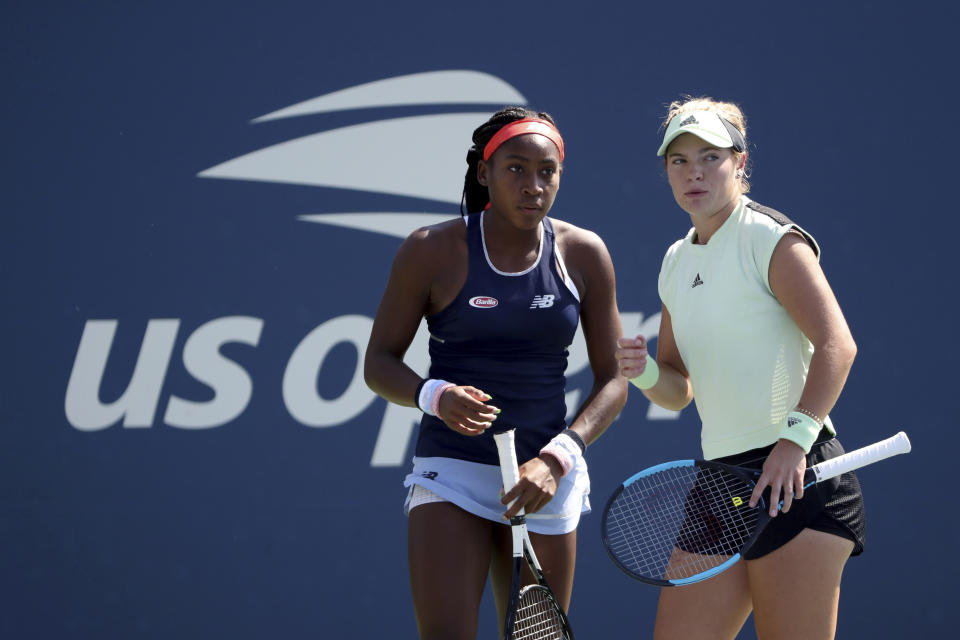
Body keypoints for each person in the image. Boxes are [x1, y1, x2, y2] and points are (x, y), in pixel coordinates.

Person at [364, 106, 628, 639]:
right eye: (515, 169)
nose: (533, 185)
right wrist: (434, 395)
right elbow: (379, 363)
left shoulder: (584, 254)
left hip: (546, 478)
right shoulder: (429, 250)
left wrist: (558, 456)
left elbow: (614, 381)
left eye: (547, 171)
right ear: (484, 173)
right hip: (452, 470)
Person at [616, 97, 866, 640]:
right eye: (679, 161)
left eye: (709, 156)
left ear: (740, 163)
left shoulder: (769, 238)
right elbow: (677, 388)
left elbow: (837, 345)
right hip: (721, 484)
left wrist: (793, 443)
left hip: (796, 480)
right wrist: (640, 374)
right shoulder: (675, 262)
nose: (694, 172)